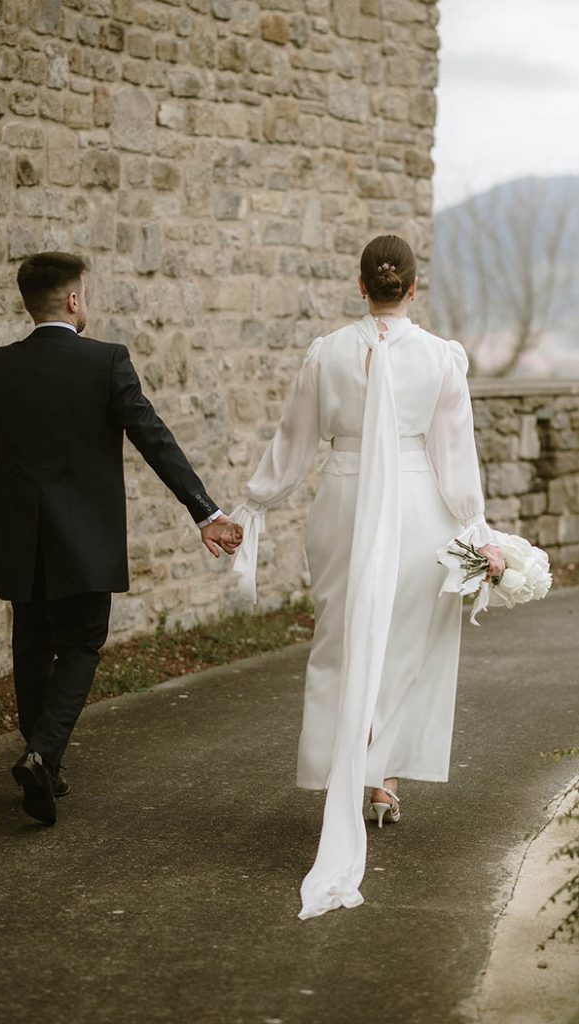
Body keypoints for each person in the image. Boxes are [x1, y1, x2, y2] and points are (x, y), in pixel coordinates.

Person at [231, 235, 503, 919]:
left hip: (344, 504)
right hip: (418, 509)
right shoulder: (441, 360)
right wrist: (476, 531)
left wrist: (253, 505)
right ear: (413, 288)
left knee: (342, 641)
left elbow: (292, 442)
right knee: (407, 646)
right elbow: (453, 456)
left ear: (361, 285)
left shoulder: (326, 354)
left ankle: (345, 775)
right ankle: (380, 779)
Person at [0, 252, 242, 827]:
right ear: (74, 301)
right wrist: (205, 512)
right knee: (81, 641)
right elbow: (155, 439)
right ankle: (41, 755)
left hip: (16, 536)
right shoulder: (106, 362)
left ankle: (43, 763)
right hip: (84, 539)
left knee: (30, 641)